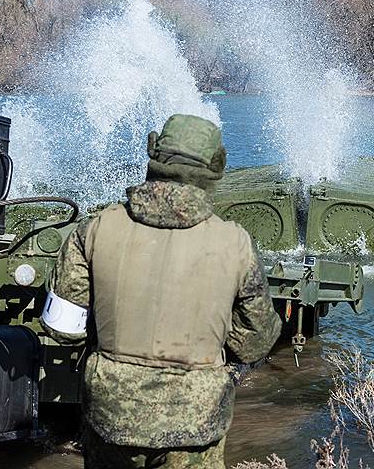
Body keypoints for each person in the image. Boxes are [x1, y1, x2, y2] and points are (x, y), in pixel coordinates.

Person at [40, 114, 282, 469]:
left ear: (153, 156)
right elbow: (256, 341)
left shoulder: (94, 229)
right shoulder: (236, 244)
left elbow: (62, 327)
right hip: (196, 424)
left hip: (111, 416)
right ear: (216, 167)